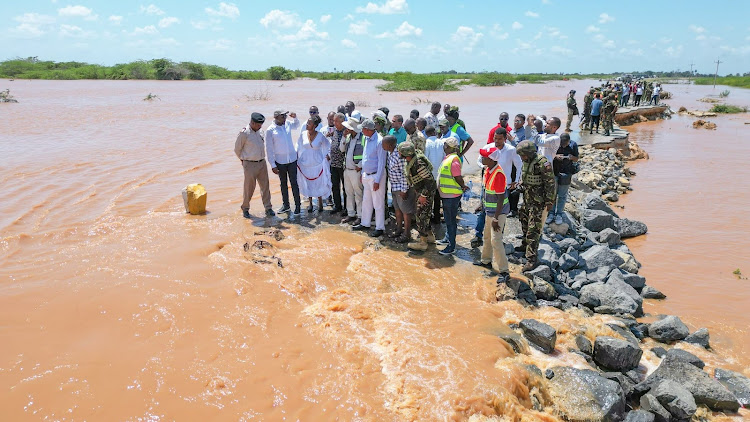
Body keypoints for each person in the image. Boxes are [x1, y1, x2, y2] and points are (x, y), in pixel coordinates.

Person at [471, 127, 521, 247]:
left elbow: (519, 165)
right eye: (495, 138)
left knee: (501, 211)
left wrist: (516, 181)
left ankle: (498, 237)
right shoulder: (488, 147)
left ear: (505, 139)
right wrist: (484, 166)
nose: (497, 141)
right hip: (488, 185)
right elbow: (479, 160)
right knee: (483, 210)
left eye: (499, 139)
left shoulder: (511, 150)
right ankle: (478, 235)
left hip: (504, 185)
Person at [515, 140, 555, 272]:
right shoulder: (527, 161)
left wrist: (549, 202)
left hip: (538, 202)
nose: (522, 158)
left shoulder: (542, 163)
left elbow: (550, 183)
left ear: (530, 153)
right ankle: (525, 245)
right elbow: (526, 175)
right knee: (524, 220)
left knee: (534, 229)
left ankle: (531, 259)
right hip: (527, 198)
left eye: (523, 155)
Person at [473, 146, 510, 283]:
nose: (482, 158)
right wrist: (482, 205)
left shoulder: (498, 174)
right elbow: (486, 191)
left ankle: (504, 271)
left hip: (498, 213)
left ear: (491, 159)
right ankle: (486, 261)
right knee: (487, 236)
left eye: (484, 157)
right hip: (489, 211)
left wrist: (495, 218)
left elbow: (500, 199)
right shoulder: (488, 170)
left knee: (496, 240)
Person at [398, 142, 438, 251]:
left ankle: (422, 243)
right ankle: (429, 237)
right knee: (425, 214)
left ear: (406, 153)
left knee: (421, 216)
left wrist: (423, 195)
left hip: (425, 193)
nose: (399, 153)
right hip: (421, 191)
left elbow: (430, 182)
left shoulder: (418, 164)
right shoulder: (411, 161)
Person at [235, 112, 274, 218]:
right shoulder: (244, 133)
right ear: (252, 122)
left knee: (265, 187)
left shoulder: (260, 131)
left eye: (261, 125)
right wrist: (243, 160)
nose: (260, 126)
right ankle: (245, 209)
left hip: (262, 163)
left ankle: (268, 208)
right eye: (257, 124)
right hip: (250, 164)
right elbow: (237, 149)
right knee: (249, 188)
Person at [353, 118, 387, 237]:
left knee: (378, 203)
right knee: (366, 201)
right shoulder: (367, 138)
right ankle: (365, 223)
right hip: (367, 175)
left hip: (375, 176)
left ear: (368, 129)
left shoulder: (379, 141)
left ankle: (379, 227)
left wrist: (377, 180)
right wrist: (363, 173)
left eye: (363, 129)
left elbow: (382, 163)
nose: (361, 131)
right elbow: (366, 156)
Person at [435, 138, 470, 255]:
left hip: (451, 195)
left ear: (451, 147)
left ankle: (451, 246)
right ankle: (447, 238)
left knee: (450, 221)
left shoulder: (454, 159)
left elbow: (458, 177)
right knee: (447, 219)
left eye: (445, 145)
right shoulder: (448, 158)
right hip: (446, 194)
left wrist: (463, 186)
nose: (444, 147)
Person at [265, 109, 301, 215]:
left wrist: (295, 117)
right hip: (280, 161)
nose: (285, 118)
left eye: (285, 116)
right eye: (282, 116)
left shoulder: (288, 124)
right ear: (276, 117)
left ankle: (298, 206)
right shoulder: (270, 130)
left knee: (294, 183)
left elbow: (296, 125)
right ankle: (286, 205)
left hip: (292, 159)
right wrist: (272, 164)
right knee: (283, 184)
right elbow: (269, 149)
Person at [296, 115, 331, 214]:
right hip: (306, 162)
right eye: (307, 122)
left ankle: (320, 203)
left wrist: (326, 156)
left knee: (318, 182)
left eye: (309, 123)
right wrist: (297, 156)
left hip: (317, 162)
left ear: (315, 125)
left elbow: (327, 146)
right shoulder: (303, 134)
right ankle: (310, 203)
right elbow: (298, 145)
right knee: (308, 182)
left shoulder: (320, 135)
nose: (307, 124)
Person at [382, 135, 413, 243]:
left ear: (390, 145)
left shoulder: (399, 155)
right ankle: (399, 229)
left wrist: (404, 190)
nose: (382, 146)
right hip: (394, 187)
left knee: (405, 211)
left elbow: (405, 174)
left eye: (383, 144)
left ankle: (407, 233)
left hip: (401, 187)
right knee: (397, 209)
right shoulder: (390, 154)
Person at [547, 132, 579, 225]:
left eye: (565, 144)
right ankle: (551, 213)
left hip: (566, 173)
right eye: (562, 144)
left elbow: (576, 158)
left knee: (562, 195)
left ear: (569, 141)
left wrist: (571, 157)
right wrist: (556, 156)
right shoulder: (555, 144)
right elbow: (548, 155)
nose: (563, 146)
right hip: (555, 172)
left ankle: (559, 214)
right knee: (553, 194)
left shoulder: (573, 145)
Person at [341, 117, 365, 225]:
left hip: (356, 171)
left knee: (358, 194)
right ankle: (351, 214)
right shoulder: (348, 137)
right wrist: (343, 138)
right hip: (347, 170)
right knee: (349, 193)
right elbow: (341, 149)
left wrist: (360, 166)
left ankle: (360, 216)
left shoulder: (362, 138)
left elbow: (366, 153)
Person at [423, 126, 445, 225]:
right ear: (435, 132)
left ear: (426, 134)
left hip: (429, 175)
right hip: (440, 174)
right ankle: (437, 217)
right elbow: (445, 157)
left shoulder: (427, 144)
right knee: (437, 197)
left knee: (428, 197)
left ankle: (427, 218)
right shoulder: (441, 142)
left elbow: (425, 160)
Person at [328, 112, 347, 215]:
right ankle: (337, 206)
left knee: (345, 188)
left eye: (336, 121)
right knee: (335, 186)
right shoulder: (335, 130)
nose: (333, 122)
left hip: (343, 165)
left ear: (342, 122)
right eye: (333, 120)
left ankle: (347, 208)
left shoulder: (346, 132)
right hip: (334, 164)